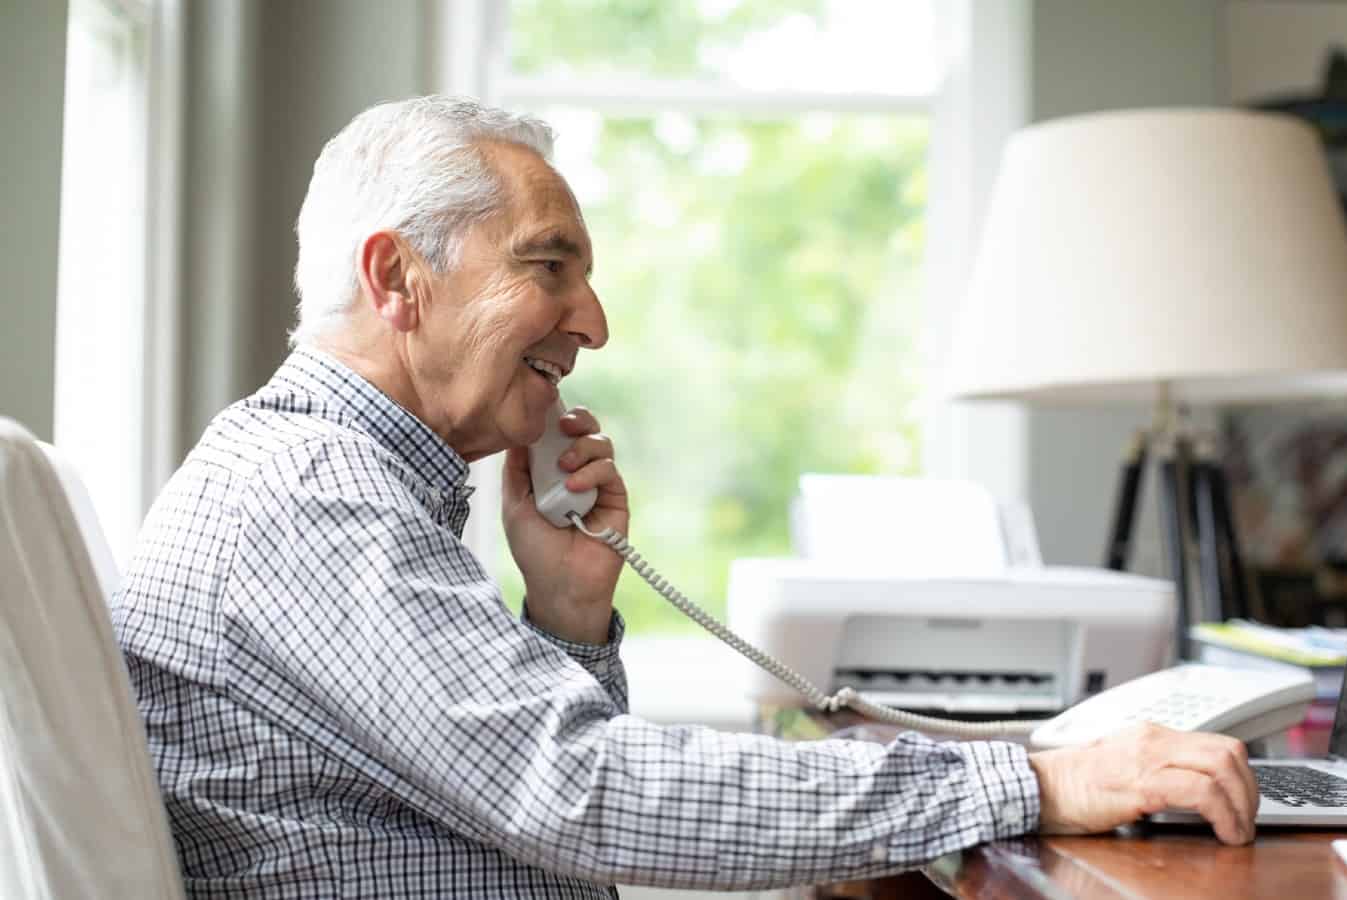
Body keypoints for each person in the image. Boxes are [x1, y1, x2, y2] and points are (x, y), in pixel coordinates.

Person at [112, 95, 1256, 898]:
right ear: (395, 278)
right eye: (548, 267)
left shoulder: (336, 485)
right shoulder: (312, 492)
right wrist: (1032, 781)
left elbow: (518, 792)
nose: (594, 323)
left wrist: (563, 621)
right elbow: (579, 790)